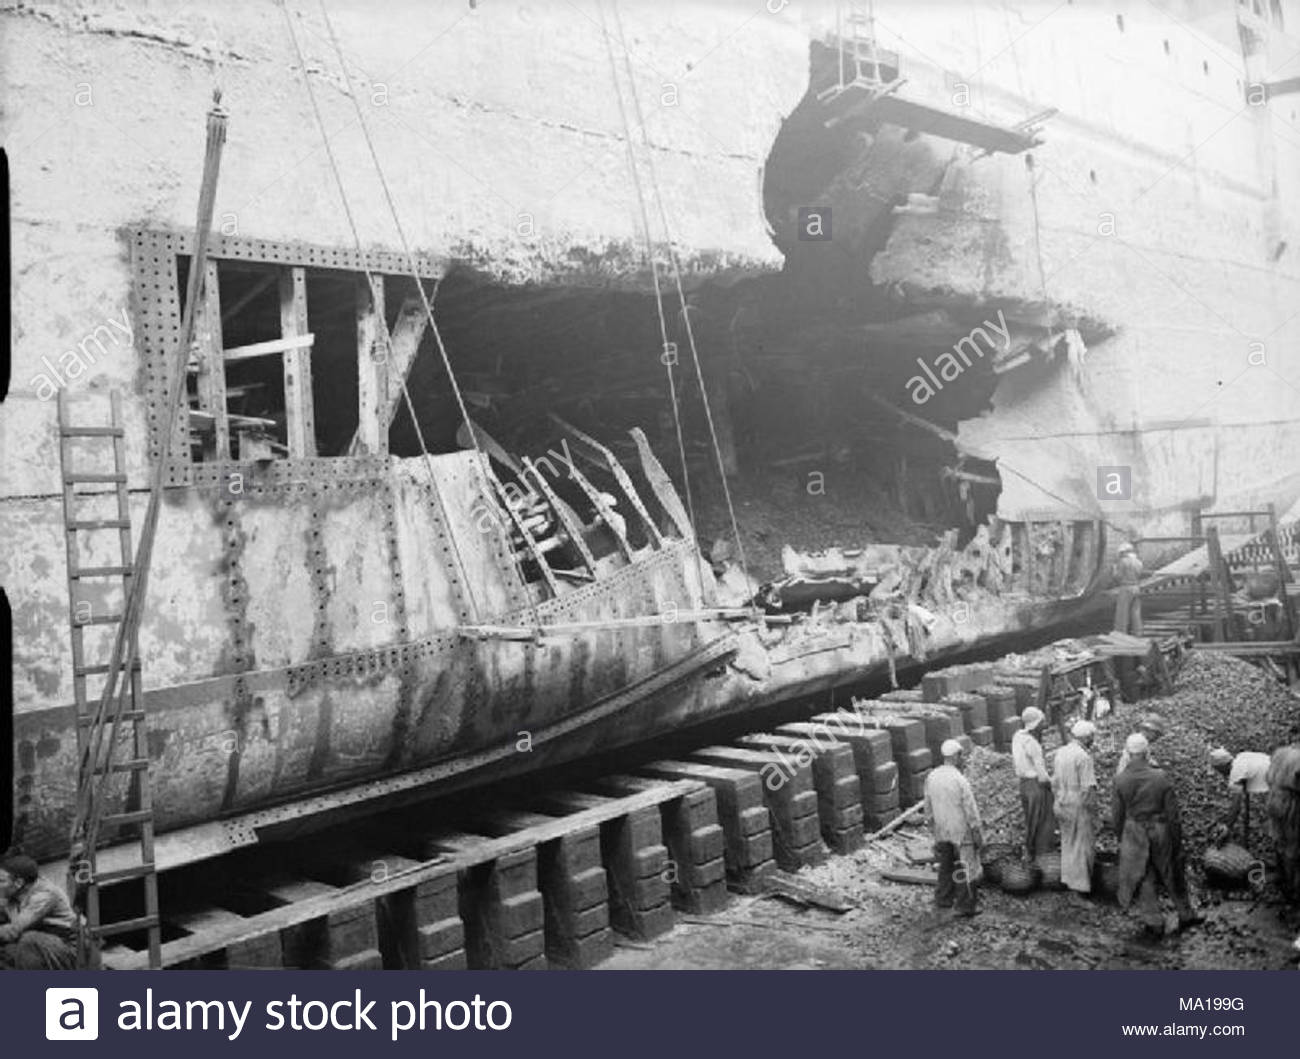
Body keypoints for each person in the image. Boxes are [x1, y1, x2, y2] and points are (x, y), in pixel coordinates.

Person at [1112, 733, 1202, 937]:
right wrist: (1177, 841)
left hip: (1134, 830)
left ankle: (1153, 921)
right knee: (1171, 871)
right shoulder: (1160, 777)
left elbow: (1116, 815)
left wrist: (1121, 837)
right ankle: (1186, 914)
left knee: (1144, 875)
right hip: (1160, 829)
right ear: (1146, 753)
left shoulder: (1120, 779)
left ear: (1127, 753)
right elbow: (1173, 815)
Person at [924, 739, 984, 918]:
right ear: (957, 756)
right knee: (966, 866)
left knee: (946, 864)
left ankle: (943, 898)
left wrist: (932, 827)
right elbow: (971, 811)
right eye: (961, 755)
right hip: (960, 829)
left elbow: (927, 806)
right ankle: (965, 905)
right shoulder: (960, 779)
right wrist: (977, 833)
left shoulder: (932, 776)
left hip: (942, 828)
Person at [0, 852, 79, 970]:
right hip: (41, 946)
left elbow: (13, 930)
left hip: (66, 948)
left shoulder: (44, 895)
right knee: (4, 952)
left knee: (29, 940)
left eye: (1, 881)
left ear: (18, 883)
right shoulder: (11, 895)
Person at [1053, 719, 1098, 894]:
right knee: (1081, 847)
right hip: (1077, 802)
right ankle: (1078, 889)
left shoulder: (1061, 752)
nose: (1093, 740)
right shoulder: (1083, 757)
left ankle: (1067, 880)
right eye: (1092, 737)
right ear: (1087, 738)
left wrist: (1058, 799)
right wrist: (1094, 814)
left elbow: (1054, 781)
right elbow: (1088, 790)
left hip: (1061, 800)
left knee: (1067, 843)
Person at [1011, 706, 1055, 855]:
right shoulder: (1032, 743)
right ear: (1036, 724)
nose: (1044, 725)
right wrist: (1054, 785)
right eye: (1042, 722)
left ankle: (1030, 853)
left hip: (1023, 786)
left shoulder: (1017, 737)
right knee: (1043, 824)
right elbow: (1042, 777)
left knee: (1031, 822)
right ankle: (1043, 855)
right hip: (1036, 786)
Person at [1209, 747, 1271, 847]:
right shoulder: (1241, 757)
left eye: (1219, 770)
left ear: (1223, 767)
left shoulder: (1236, 773)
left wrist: (1227, 827)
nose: (1221, 774)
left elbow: (1236, 806)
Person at [1264, 743, 1300, 901]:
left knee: (1280, 840)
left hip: (1274, 800)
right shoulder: (1298, 759)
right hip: (1291, 804)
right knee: (1294, 846)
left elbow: (1268, 777)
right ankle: (1292, 886)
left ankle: (1283, 878)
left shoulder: (1280, 753)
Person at [1114, 541, 1143, 635]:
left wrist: (1114, 570)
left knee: (1122, 613)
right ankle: (1137, 632)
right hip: (1136, 587)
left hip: (1125, 588)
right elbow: (1140, 574)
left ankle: (1120, 633)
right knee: (1135, 612)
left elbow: (1118, 576)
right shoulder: (1138, 562)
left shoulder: (1123, 562)